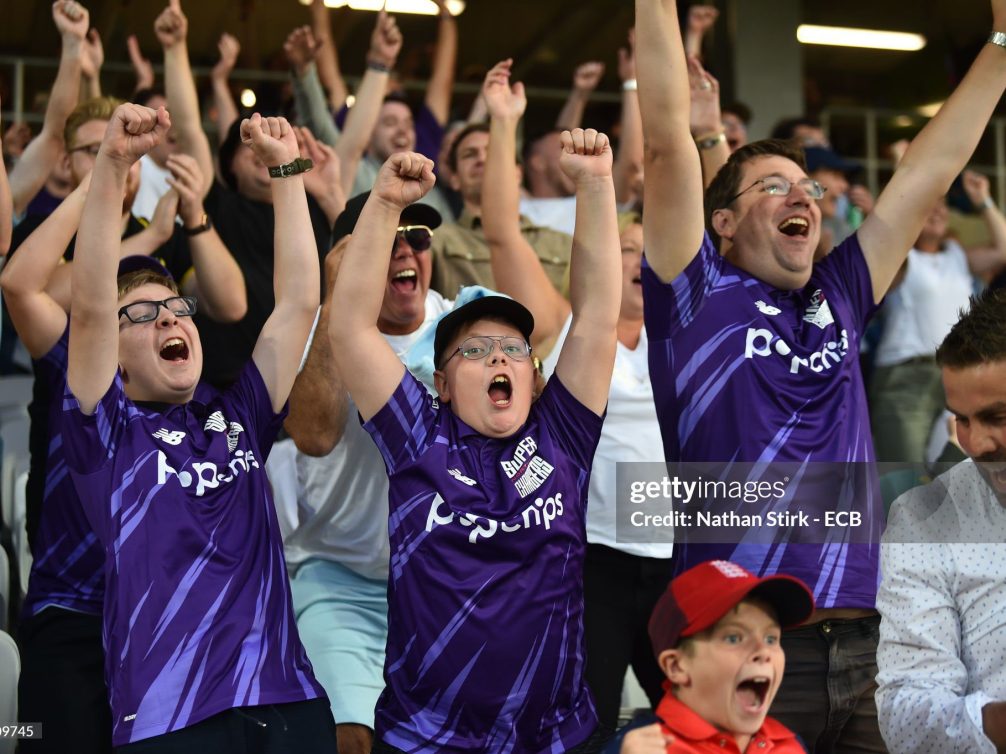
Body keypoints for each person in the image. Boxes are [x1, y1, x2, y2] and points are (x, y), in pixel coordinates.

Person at [635, 0, 1006, 748]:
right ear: (723, 225)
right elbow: (668, 145)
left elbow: (930, 170)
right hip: (751, 647)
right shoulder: (693, 298)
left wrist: (1000, 43)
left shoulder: (838, 293)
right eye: (772, 187)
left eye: (806, 186)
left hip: (873, 645)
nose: (801, 194)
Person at [329, 127, 620, 751]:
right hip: (428, 738)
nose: (499, 359)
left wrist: (596, 185)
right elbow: (350, 326)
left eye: (514, 349)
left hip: (557, 737)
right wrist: (382, 204)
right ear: (440, 380)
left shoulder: (563, 434)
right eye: (476, 350)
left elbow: (595, 312)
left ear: (535, 376)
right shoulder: (414, 433)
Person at [59, 103, 334, 751]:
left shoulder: (239, 413)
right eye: (144, 315)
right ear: (114, 361)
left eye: (177, 309)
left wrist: (286, 170)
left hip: (288, 700)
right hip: (171, 718)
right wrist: (113, 166)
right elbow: (93, 305)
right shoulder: (105, 436)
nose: (170, 321)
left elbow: (299, 301)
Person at [478, 58, 673, 734]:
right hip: (592, 560)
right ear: (597, 257)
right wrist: (505, 123)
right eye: (626, 247)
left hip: (681, 558)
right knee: (582, 728)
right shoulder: (563, 327)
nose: (639, 260)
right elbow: (502, 228)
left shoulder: (686, 338)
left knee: (695, 728)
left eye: (650, 250)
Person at [283, 193, 448, 754]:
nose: (407, 250)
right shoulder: (317, 338)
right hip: (342, 580)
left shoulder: (466, 322)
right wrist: (337, 299)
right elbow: (313, 434)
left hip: (443, 580)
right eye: (389, 241)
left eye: (418, 238)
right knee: (348, 738)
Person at [875, 288, 1006, 752]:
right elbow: (905, 714)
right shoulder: (923, 520)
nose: (977, 442)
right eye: (962, 420)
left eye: (998, 417)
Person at [871, 171, 1006, 463]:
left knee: (955, 473)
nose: (937, 211)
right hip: (906, 377)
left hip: (957, 378)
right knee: (903, 476)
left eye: (942, 204)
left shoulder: (956, 255)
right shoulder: (898, 259)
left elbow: (1004, 249)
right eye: (927, 204)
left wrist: (983, 201)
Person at [613, 560, 814, 754]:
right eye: (734, 638)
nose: (763, 652)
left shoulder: (790, 744)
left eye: (771, 639)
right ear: (676, 666)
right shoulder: (638, 748)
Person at [429, 61, 574, 299]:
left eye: (491, 152)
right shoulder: (436, 242)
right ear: (453, 178)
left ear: (517, 173)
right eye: (469, 154)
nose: (482, 159)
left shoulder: (562, 244)